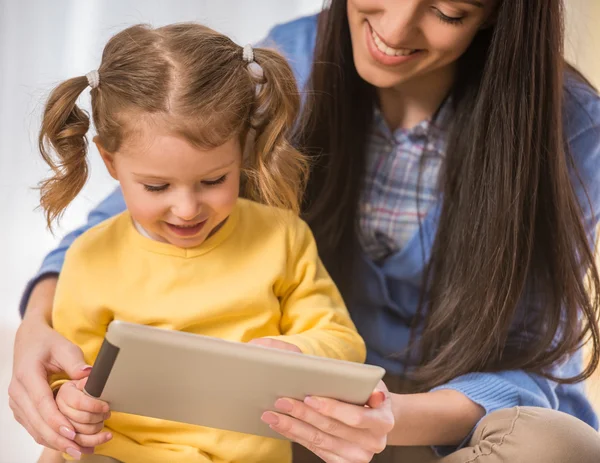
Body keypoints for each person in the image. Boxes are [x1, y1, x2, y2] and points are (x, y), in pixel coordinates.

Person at [11, 0, 600, 462]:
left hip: (429, 426)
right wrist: (36, 328)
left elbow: (530, 363)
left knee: (557, 449)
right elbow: (119, 223)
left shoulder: (572, 129)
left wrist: (379, 415)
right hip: (290, 426)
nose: (393, 29)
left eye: (449, 12)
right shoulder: (289, 58)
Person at [27, 22, 366, 463]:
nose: (187, 209)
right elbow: (67, 372)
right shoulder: (90, 256)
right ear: (111, 163)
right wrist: (69, 397)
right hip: (124, 453)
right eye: (156, 187)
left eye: (213, 180)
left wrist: (295, 350)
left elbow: (343, 342)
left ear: (243, 148)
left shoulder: (283, 237)